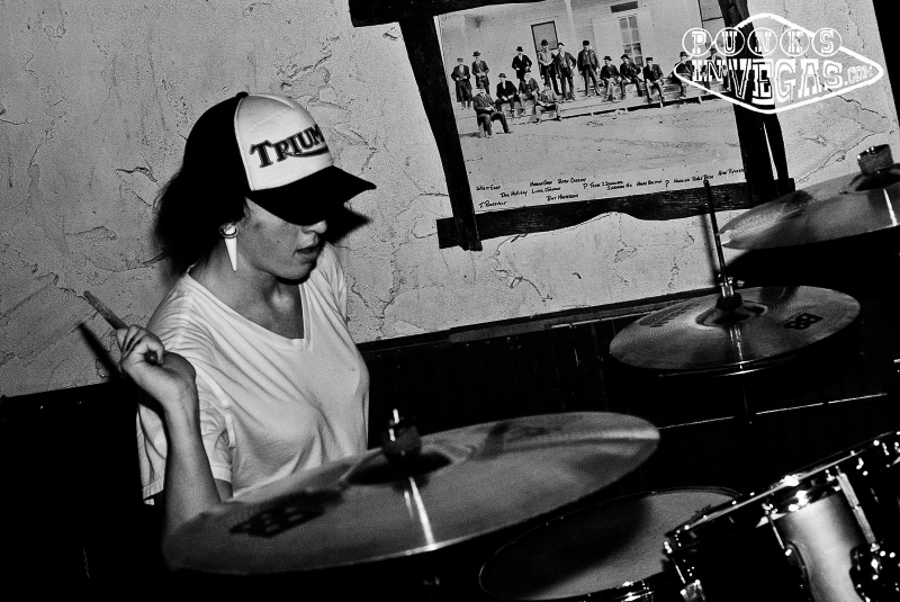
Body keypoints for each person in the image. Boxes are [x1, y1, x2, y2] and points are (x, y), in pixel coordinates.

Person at [126, 92, 375, 539]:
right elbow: (198, 550)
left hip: (364, 547)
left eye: (321, 199)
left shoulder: (319, 270)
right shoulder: (185, 349)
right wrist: (181, 404)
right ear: (226, 214)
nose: (319, 225)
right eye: (295, 207)